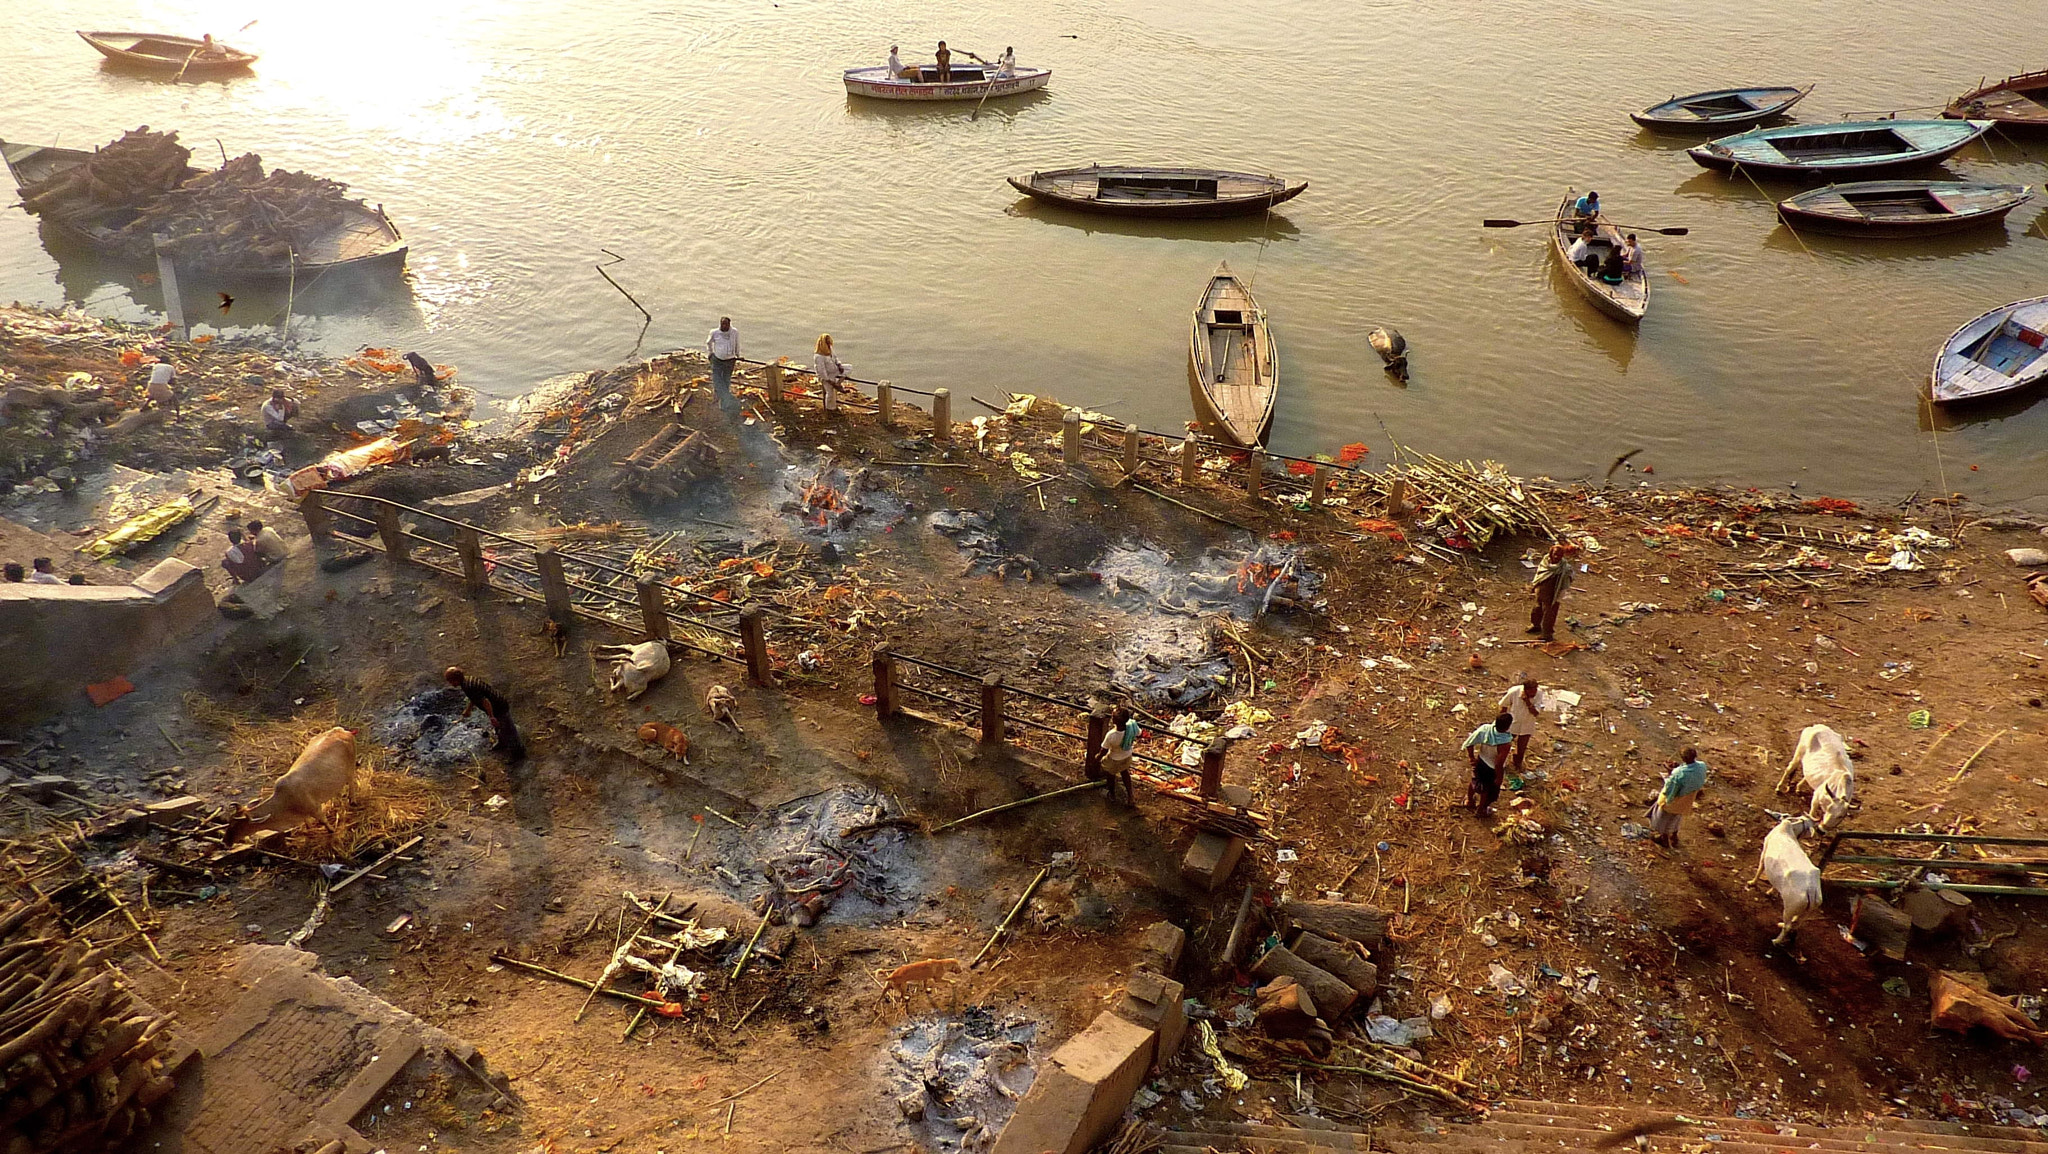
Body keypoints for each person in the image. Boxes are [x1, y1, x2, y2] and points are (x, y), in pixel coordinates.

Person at [446, 666, 524, 759]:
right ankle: (502, 743)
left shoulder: (469, 686)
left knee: (508, 730)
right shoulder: (466, 681)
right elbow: (474, 698)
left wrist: (492, 717)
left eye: (451, 681)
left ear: (456, 679)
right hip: (495, 707)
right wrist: (468, 710)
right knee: (498, 727)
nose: (451, 684)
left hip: (499, 707)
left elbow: (485, 701)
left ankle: (518, 752)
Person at [1647, 747, 1710, 849]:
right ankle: (1674, 837)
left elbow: (1671, 790)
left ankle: (1664, 839)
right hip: (1688, 798)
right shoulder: (1702, 766)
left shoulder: (1679, 773)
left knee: (1663, 818)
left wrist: (1670, 773)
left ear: (1683, 759)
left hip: (1676, 799)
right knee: (1676, 817)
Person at [1462, 712, 1515, 817]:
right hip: (1491, 769)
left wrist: (1472, 757)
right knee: (1486, 790)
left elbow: (1469, 742)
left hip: (1481, 760)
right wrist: (1499, 778)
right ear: (1508, 726)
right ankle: (1481, 810)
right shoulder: (1505, 743)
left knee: (1474, 781)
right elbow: (1498, 764)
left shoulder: (1486, 729)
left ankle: (1469, 801)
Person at [1497, 675, 1549, 772]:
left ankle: (1517, 764)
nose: (1533, 695)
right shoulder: (1514, 692)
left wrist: (1527, 702)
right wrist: (1502, 722)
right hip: (1513, 723)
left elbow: (1536, 713)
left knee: (1522, 748)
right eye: (1530, 693)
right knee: (1504, 744)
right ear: (1525, 690)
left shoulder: (1539, 694)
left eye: (1534, 692)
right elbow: (1503, 705)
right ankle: (1500, 763)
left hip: (1527, 724)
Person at [1528, 542, 1576, 642]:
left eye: (1559, 555)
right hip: (1540, 592)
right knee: (1536, 609)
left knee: (1549, 615)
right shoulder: (1545, 562)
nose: (1556, 557)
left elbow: (1566, 583)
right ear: (1550, 554)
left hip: (1552, 596)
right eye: (1554, 554)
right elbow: (1539, 575)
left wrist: (1559, 597)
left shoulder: (1565, 569)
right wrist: (1534, 586)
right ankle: (1535, 625)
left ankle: (1547, 634)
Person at [1099, 703, 1140, 804]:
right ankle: (1130, 796)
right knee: (1125, 772)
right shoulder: (1131, 728)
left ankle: (1112, 794)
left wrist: (1098, 756)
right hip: (1127, 755)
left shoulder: (1111, 735)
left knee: (1110, 774)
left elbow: (1104, 749)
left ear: (1114, 721)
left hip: (1114, 758)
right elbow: (1138, 733)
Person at [707, 317, 740, 406]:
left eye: (726, 324)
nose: (724, 326)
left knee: (726, 378)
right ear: (720, 324)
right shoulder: (714, 332)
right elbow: (708, 343)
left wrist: (738, 355)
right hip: (718, 359)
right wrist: (710, 353)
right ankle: (724, 397)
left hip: (730, 360)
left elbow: (737, 344)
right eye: (723, 324)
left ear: (729, 324)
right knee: (717, 378)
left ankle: (723, 397)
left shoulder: (734, 332)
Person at [812, 334, 849, 412]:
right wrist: (828, 380)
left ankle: (838, 384)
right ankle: (829, 409)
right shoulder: (818, 356)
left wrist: (839, 365)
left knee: (849, 367)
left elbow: (835, 358)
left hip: (834, 370)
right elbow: (821, 370)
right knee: (830, 393)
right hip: (827, 376)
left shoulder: (830, 349)